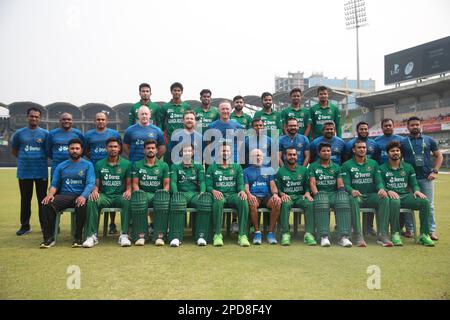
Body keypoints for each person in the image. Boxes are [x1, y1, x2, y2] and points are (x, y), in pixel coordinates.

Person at [40, 138, 95, 248]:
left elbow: (90, 183)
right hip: (64, 196)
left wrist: (83, 196)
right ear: (68, 150)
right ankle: (49, 238)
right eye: (72, 148)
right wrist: (50, 195)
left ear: (81, 150)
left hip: (80, 195)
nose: (74, 150)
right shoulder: (61, 166)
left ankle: (78, 237)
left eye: (77, 148)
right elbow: (54, 184)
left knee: (81, 204)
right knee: (46, 204)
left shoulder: (88, 165)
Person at [379, 141, 435, 246]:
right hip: (392, 197)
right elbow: (380, 184)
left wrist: (417, 190)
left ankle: (424, 234)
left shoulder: (408, 167)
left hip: (405, 196)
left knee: (425, 202)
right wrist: (387, 190)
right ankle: (395, 233)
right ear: (388, 153)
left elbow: (414, 184)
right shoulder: (381, 168)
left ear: (400, 153)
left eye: (397, 150)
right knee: (395, 202)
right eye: (392, 151)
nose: (395, 152)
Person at [340, 139, 392, 247]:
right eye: (359, 147)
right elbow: (346, 184)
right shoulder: (346, 165)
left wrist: (381, 189)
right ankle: (357, 234)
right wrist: (352, 191)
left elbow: (378, 181)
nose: (362, 149)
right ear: (354, 150)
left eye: (364, 147)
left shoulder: (373, 163)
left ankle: (382, 235)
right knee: (352, 199)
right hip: (357, 196)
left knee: (385, 198)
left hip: (371, 196)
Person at [83, 138, 132, 248]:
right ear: (106, 148)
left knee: (128, 199)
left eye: (115, 146)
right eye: (110, 146)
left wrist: (129, 191)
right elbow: (96, 185)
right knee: (92, 199)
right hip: (105, 196)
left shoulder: (127, 164)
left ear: (119, 148)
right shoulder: (99, 164)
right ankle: (92, 236)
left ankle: (124, 234)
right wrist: (95, 191)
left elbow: (129, 184)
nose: (113, 149)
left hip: (120, 196)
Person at [400, 116, 443, 240]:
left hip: (426, 178)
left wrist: (435, 171)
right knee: (408, 205)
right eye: (412, 125)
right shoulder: (403, 142)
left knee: (429, 205)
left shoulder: (429, 140)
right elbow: (398, 158)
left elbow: (439, 156)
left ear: (420, 125)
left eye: (417, 124)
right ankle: (410, 229)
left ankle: (430, 231)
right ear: (408, 127)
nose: (415, 127)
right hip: (409, 179)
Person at [11, 107, 49, 236]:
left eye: (37, 117)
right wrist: (26, 159)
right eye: (32, 116)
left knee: (42, 200)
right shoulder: (19, 133)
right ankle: (25, 226)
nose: (34, 118)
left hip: (41, 172)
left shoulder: (45, 134)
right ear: (28, 117)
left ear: (40, 118)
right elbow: (15, 151)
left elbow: (47, 151)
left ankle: (45, 226)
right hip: (24, 172)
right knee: (25, 199)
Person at [308, 142, 352, 248]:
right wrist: (317, 195)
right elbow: (312, 184)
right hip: (320, 194)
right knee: (322, 201)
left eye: (328, 151)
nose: (326, 153)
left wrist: (341, 192)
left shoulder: (336, 167)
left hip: (333, 194)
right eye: (324, 151)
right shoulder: (313, 167)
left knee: (343, 200)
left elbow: (340, 183)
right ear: (319, 153)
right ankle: (324, 236)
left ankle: (344, 237)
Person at [84, 112, 122, 234]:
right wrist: (95, 160)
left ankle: (112, 223)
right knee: (94, 195)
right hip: (95, 168)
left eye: (103, 119)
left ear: (107, 121)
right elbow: (86, 150)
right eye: (98, 119)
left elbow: (118, 149)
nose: (100, 121)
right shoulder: (88, 135)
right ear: (94, 121)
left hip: (110, 168)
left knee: (111, 192)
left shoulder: (114, 134)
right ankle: (91, 226)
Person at [206, 143, 250, 247]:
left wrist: (242, 191)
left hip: (232, 195)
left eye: (227, 151)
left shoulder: (237, 167)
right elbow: (208, 185)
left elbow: (240, 184)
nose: (225, 153)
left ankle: (242, 235)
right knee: (218, 201)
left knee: (243, 200)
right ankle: (217, 234)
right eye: (223, 151)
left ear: (231, 153)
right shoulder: (212, 168)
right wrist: (213, 191)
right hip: (219, 195)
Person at [169, 144, 212, 247]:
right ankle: (176, 237)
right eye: (185, 151)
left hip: (194, 194)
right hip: (181, 194)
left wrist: (202, 191)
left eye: (189, 151)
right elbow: (173, 182)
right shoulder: (175, 166)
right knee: (177, 203)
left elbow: (202, 181)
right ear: (181, 153)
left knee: (204, 202)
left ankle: (201, 236)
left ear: (192, 153)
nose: (187, 153)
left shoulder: (198, 166)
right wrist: (176, 193)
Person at [130, 140, 170, 246]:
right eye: (148, 148)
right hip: (144, 194)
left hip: (158, 194)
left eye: (153, 148)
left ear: (157, 150)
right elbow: (134, 184)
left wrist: (163, 194)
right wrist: (139, 194)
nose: (150, 150)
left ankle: (159, 236)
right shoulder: (137, 165)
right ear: (144, 150)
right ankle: (141, 235)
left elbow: (166, 185)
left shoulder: (164, 165)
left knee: (162, 201)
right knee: (139, 200)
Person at [276, 147, 315, 246]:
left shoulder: (303, 170)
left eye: (294, 154)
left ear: (297, 156)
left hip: (300, 196)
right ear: (285, 156)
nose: (292, 157)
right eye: (290, 155)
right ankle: (285, 234)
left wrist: (307, 192)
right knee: (284, 204)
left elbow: (307, 185)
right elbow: (278, 188)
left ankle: (309, 234)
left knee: (309, 203)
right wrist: (282, 194)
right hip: (287, 197)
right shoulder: (280, 171)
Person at [244, 149, 281, 245]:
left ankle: (270, 233)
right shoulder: (246, 171)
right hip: (254, 196)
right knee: (252, 203)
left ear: (263, 157)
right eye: (255, 156)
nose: (258, 157)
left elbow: (272, 185)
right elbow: (246, 187)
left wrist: (275, 195)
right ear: (251, 158)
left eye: (259, 155)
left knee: (277, 202)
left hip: (266, 196)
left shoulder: (269, 170)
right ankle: (257, 232)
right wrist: (249, 195)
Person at [159, 82, 192, 163]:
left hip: (182, 138)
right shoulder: (165, 107)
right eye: (175, 90)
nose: (177, 92)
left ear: (181, 92)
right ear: (171, 92)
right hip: (169, 138)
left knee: (181, 159)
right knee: (168, 159)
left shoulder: (186, 106)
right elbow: (162, 123)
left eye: (178, 90)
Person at [206, 100, 245, 165]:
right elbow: (209, 145)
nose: (225, 111)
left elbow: (240, 146)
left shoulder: (238, 127)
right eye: (223, 109)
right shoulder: (211, 126)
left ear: (231, 110)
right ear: (218, 110)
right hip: (216, 161)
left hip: (233, 161)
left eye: (227, 109)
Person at [47, 112, 85, 178]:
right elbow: (47, 150)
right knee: (55, 186)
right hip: (57, 166)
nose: (66, 121)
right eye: (64, 119)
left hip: (74, 166)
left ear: (72, 121)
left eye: (69, 119)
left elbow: (83, 148)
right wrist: (57, 157)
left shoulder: (78, 133)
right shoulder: (52, 133)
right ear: (60, 121)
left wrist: (75, 157)